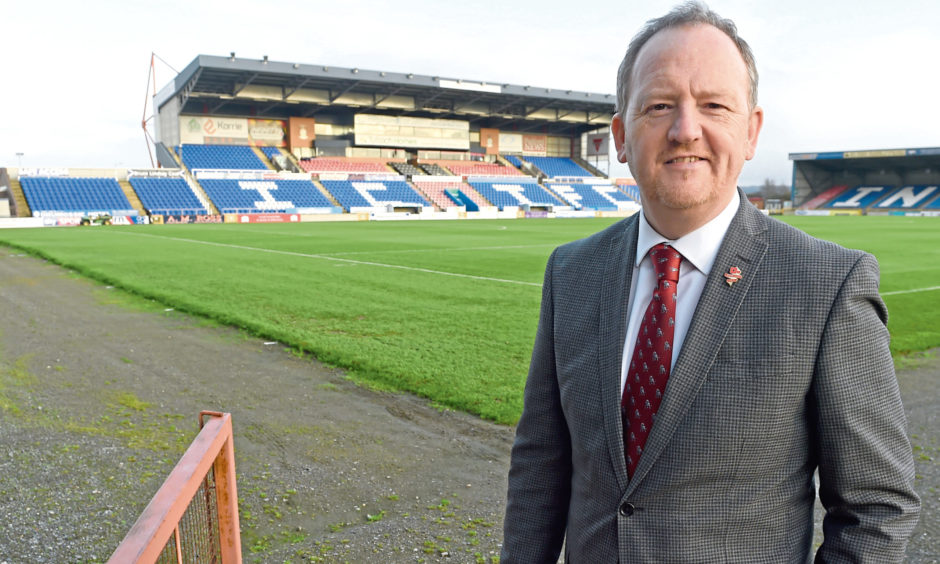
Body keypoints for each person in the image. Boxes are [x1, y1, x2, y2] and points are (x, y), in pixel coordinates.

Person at [501, 2, 920, 562]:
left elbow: (877, 508)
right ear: (621, 136)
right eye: (659, 105)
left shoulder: (827, 285)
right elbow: (539, 466)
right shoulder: (571, 273)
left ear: (751, 132)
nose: (685, 130)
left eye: (714, 106)